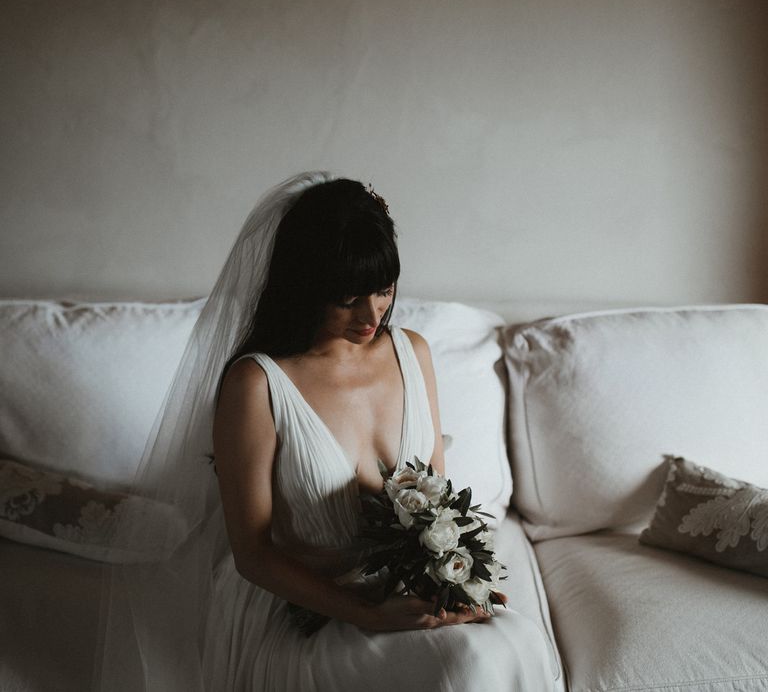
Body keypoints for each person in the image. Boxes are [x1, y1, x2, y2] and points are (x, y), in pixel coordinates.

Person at [94, 172, 554, 691]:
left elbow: (437, 500)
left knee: (513, 641)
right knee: (466, 665)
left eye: (383, 291)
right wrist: (366, 612)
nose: (371, 314)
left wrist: (450, 582)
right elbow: (253, 553)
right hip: (307, 610)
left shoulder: (413, 352)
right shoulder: (258, 383)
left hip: (397, 594)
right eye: (347, 298)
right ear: (307, 285)